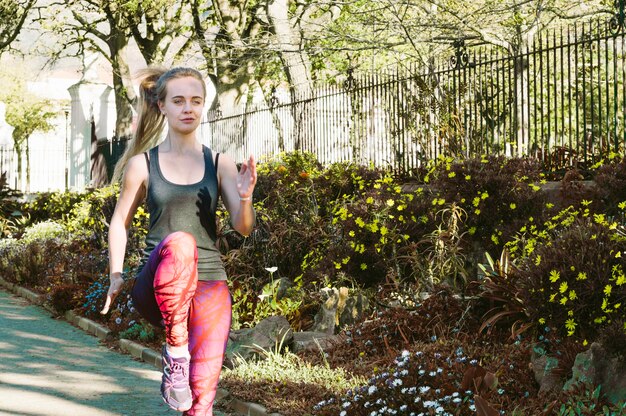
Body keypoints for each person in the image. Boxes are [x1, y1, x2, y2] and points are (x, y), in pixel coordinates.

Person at [100, 67, 256, 415]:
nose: (188, 108)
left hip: (210, 285)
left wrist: (244, 198)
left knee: (200, 401)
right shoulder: (143, 164)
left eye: (196, 101)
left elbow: (243, 228)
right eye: (179, 100)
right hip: (157, 283)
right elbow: (119, 224)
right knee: (182, 242)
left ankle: (184, 372)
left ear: (204, 107)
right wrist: (115, 274)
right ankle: (176, 350)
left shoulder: (220, 163)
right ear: (162, 107)